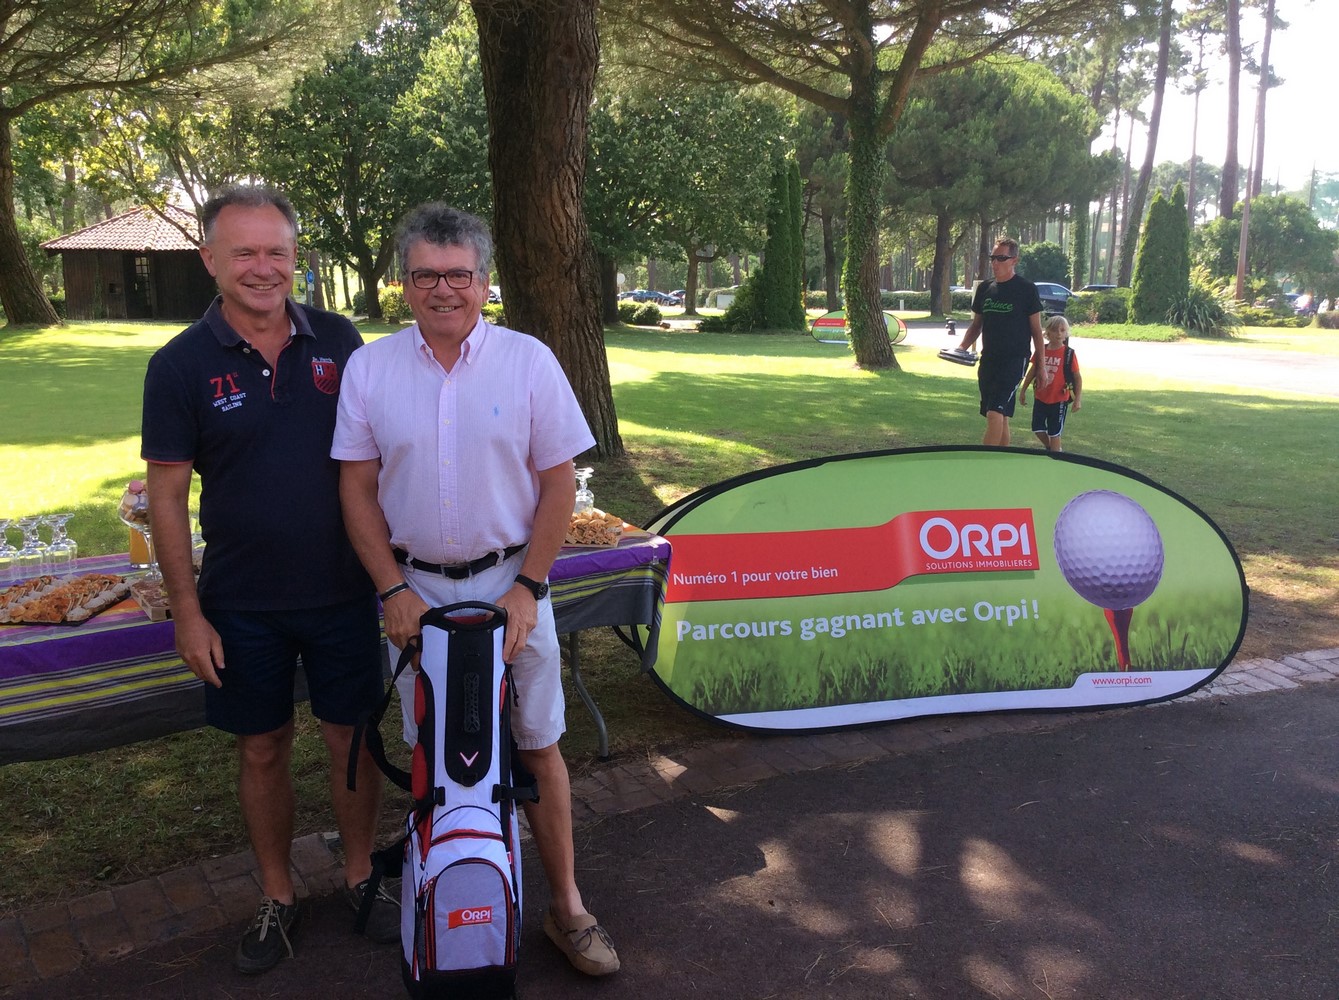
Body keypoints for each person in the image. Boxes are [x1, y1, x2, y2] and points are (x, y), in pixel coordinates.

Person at [331, 204, 621, 978]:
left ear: (484, 281)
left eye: (458, 274)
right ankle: (445, 905)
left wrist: (528, 586)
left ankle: (567, 908)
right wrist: (391, 590)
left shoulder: (529, 361)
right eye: (425, 274)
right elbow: (356, 488)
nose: (443, 289)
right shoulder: (370, 368)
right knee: (433, 751)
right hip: (416, 593)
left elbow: (558, 485)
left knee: (537, 745)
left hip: (512, 585)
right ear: (403, 283)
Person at [140, 186, 399, 975]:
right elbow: (166, 499)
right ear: (210, 260)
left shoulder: (340, 339)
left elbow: (379, 455)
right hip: (241, 602)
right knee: (262, 747)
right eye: (243, 252)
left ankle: (360, 876)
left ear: (295, 257)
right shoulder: (178, 364)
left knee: (352, 739)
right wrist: (187, 613)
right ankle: (278, 894)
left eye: (276, 252)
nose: (262, 268)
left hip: (343, 588)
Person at [955, 238, 1051, 445]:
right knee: (1002, 416)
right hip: (989, 360)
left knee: (994, 413)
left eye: (1001, 258)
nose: (995, 263)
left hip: (1015, 360)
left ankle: (984, 461)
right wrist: (961, 348)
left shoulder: (1026, 289)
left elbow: (1036, 331)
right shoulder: (985, 288)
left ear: (1014, 260)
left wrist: (1041, 366)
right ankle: (1003, 459)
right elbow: (976, 326)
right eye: (993, 258)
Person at [1019, 315, 1082, 452]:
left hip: (1059, 399)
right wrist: (1023, 390)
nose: (1058, 333)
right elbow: (1032, 371)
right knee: (1037, 428)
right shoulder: (1042, 350)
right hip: (1041, 397)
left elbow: (1077, 377)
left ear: (1066, 333)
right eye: (1054, 330)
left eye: (1062, 330)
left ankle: (1055, 455)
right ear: (1047, 333)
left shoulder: (1069, 354)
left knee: (1054, 433)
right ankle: (1051, 448)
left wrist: (1077, 399)